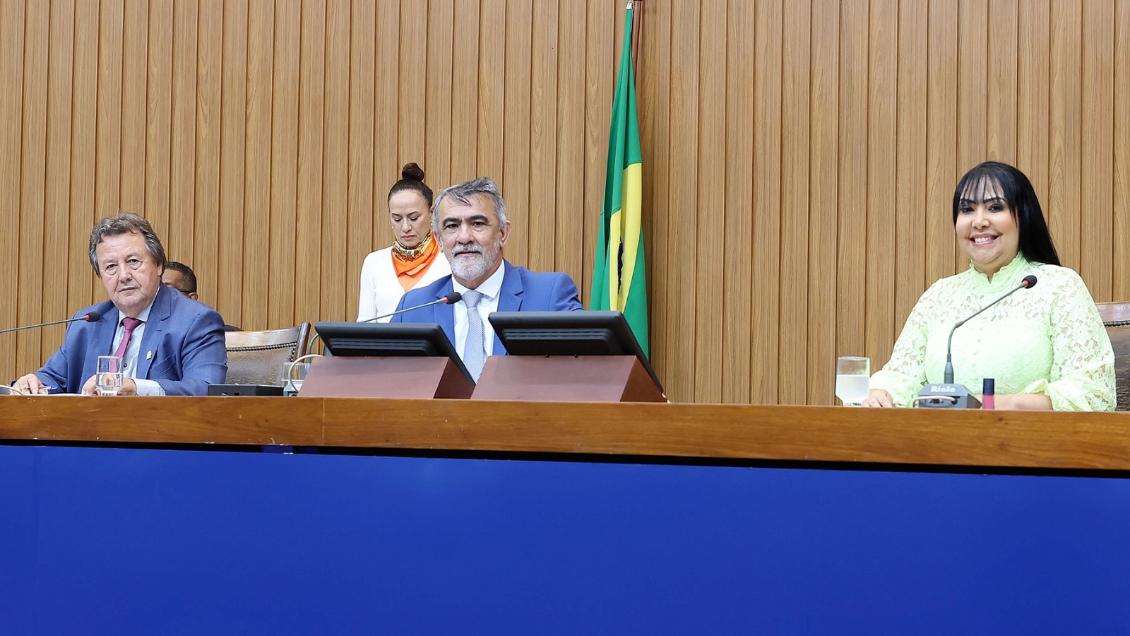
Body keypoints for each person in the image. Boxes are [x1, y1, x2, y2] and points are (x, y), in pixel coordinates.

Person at [864, 161, 1115, 411]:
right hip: (938, 436)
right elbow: (900, 376)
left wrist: (988, 405)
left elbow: (1092, 394)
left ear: (1023, 216)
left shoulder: (1059, 286)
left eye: (995, 207)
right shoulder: (939, 295)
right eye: (967, 209)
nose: (979, 221)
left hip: (1030, 435)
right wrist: (881, 393)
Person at [12, 213, 228, 396]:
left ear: (159, 265)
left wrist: (137, 388)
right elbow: (52, 378)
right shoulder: (87, 323)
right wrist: (33, 382)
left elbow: (206, 388)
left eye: (133, 261)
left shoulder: (195, 320)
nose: (123, 275)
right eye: (111, 267)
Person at [391, 177, 583, 379]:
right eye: (452, 226)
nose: (464, 237)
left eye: (477, 224)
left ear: (503, 233)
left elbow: (583, 371)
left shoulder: (549, 296)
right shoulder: (413, 308)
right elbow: (391, 382)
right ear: (439, 240)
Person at [357, 163, 451, 322]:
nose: (406, 227)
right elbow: (365, 324)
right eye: (397, 219)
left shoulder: (449, 258)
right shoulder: (374, 262)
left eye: (414, 218)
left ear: (432, 213)